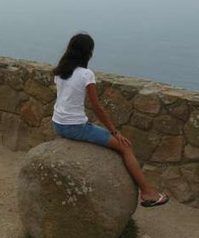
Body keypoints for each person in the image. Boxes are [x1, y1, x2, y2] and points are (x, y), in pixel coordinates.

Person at [52, 33, 169, 207]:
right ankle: (148, 193)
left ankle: (148, 192)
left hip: (58, 124)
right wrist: (114, 131)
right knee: (125, 147)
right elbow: (97, 107)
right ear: (88, 53)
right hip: (75, 127)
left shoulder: (60, 71)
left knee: (101, 133)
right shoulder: (86, 74)